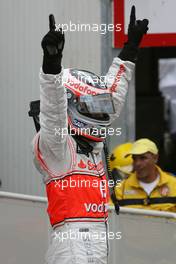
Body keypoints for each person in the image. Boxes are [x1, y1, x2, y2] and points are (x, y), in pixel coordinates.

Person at [32, 6, 148, 264]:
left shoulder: (95, 147)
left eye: (99, 105)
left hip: (98, 240)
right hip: (70, 245)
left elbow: (114, 98)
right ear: (71, 103)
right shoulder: (57, 145)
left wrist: (131, 48)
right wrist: (51, 66)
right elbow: (52, 111)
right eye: (90, 105)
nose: (99, 111)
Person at [115, 138, 176, 212]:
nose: (137, 163)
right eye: (134, 159)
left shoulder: (173, 185)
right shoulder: (121, 189)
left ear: (155, 158)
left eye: (143, 158)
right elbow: (111, 217)